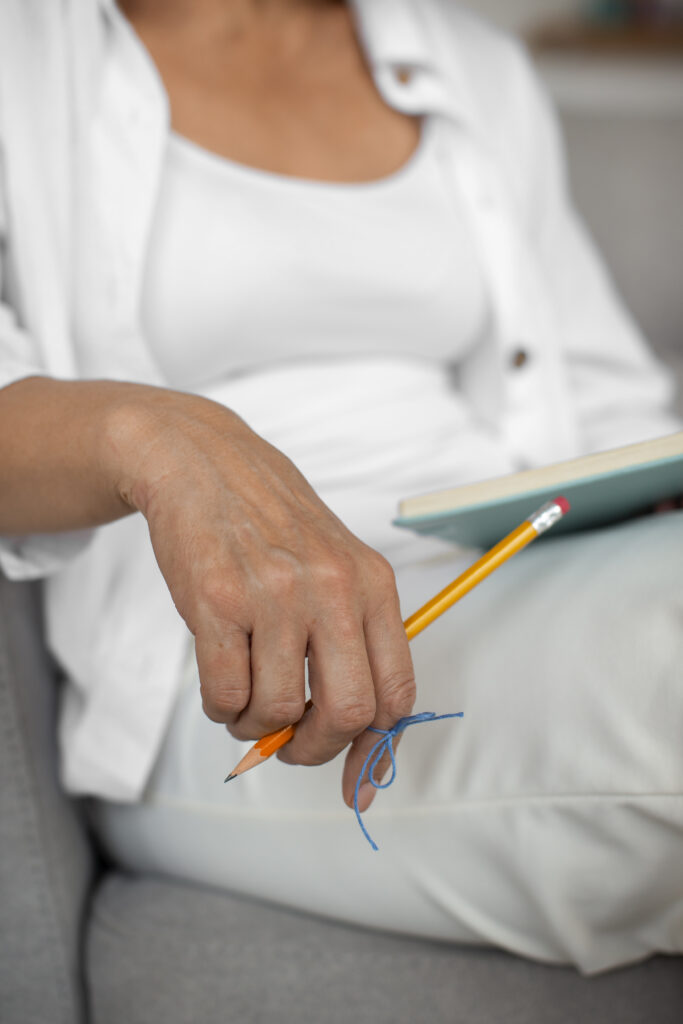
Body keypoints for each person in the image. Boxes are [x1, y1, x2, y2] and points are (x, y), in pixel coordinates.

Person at [0, 0, 681, 975]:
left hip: (519, 560)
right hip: (242, 675)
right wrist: (161, 437)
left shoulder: (471, 64)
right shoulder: (23, 51)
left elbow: (606, 402)